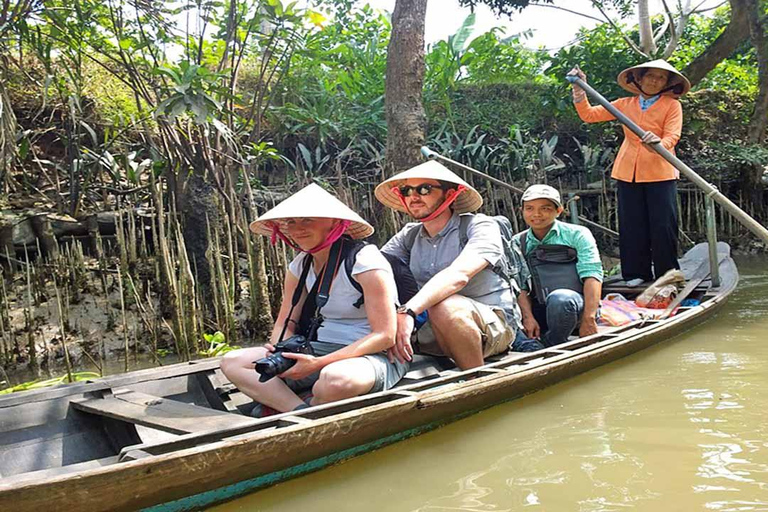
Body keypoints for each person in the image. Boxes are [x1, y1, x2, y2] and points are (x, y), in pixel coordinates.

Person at [221, 183, 408, 413]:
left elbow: (384, 336)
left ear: (335, 223)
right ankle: (300, 411)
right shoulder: (300, 264)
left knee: (335, 380)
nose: (298, 229)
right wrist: (281, 350)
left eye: (307, 220)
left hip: (371, 356)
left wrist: (317, 365)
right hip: (316, 349)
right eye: (292, 222)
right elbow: (285, 322)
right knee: (232, 362)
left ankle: (301, 403)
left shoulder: (365, 260)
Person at [375, 160, 532, 371]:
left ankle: (476, 382)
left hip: (491, 327)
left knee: (445, 304)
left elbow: (459, 275)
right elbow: (372, 268)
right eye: (406, 190)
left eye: (424, 189)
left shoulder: (479, 225)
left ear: (449, 195)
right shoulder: (409, 235)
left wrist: (408, 312)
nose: (413, 196)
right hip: (430, 327)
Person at [570, 59, 691, 287]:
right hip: (628, 171)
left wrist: (659, 144)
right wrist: (579, 89)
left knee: (663, 225)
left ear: (666, 83)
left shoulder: (671, 105)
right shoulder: (625, 103)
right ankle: (637, 272)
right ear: (640, 78)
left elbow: (673, 135)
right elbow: (589, 115)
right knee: (631, 223)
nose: (655, 81)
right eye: (650, 76)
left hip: (660, 171)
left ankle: (668, 274)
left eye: (661, 78)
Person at [513, 184, 603, 347]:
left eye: (545, 208)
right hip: (540, 309)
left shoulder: (577, 234)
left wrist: (589, 318)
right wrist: (527, 317)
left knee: (560, 299)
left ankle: (553, 342)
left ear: (559, 210)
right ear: (522, 211)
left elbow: (593, 275)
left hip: (577, 306)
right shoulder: (518, 242)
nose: (536, 214)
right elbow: (520, 286)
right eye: (530, 208)